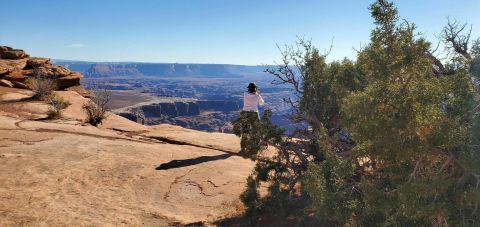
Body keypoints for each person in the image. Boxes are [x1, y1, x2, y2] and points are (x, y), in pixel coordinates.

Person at [236, 82, 265, 156]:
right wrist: (258, 94)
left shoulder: (245, 94)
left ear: (248, 88)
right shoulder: (257, 96)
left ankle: (243, 148)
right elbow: (262, 103)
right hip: (254, 114)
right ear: (255, 89)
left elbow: (250, 94)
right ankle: (254, 149)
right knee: (256, 131)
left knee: (245, 130)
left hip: (245, 113)